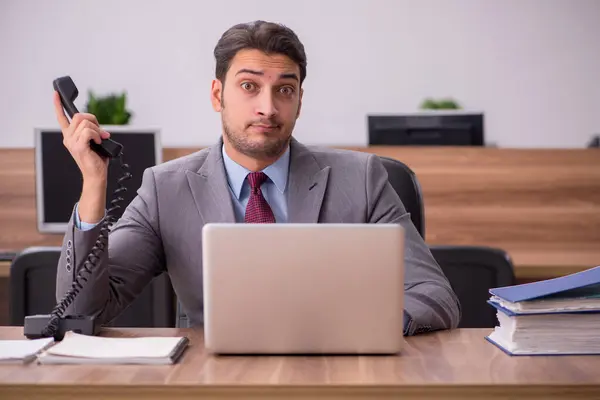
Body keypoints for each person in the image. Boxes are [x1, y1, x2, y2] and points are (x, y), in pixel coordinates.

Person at [54, 20, 460, 335]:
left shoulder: (363, 178)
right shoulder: (166, 189)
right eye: (249, 86)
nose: (267, 107)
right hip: (213, 381)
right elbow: (81, 312)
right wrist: (93, 183)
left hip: (334, 375)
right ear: (218, 95)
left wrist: (360, 329)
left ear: (300, 99)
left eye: (285, 90)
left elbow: (435, 296)